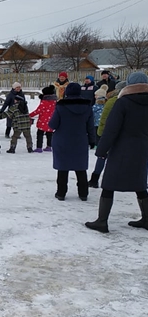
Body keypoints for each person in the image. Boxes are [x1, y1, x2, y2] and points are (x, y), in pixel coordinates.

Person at [85, 72, 148, 233]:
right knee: (140, 184)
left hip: (122, 149)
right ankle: (147, 219)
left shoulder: (123, 103)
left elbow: (112, 129)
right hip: (142, 148)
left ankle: (102, 221)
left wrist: (102, 149)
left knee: (109, 184)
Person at [48, 83, 96, 201]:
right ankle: (83, 193)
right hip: (80, 140)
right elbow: (90, 126)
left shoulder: (61, 106)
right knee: (80, 168)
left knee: (63, 168)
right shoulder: (87, 106)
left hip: (62, 140)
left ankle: (61, 193)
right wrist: (92, 140)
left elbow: (53, 124)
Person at [88, 81, 127, 188]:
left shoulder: (111, 101)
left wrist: (100, 134)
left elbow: (103, 119)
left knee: (102, 156)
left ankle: (95, 179)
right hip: (123, 134)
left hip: (108, 133)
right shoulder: (126, 101)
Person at [29, 85, 57, 153]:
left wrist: (30, 115)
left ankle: (39, 147)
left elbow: (38, 110)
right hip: (52, 120)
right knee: (49, 134)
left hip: (43, 121)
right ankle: (49, 146)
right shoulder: (55, 102)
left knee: (40, 134)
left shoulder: (44, 102)